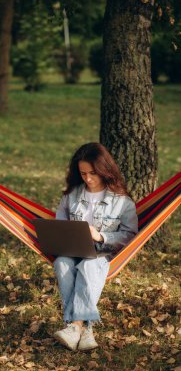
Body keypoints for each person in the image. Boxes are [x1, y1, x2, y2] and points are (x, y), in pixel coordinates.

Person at [53, 142, 138, 351]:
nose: (88, 179)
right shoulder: (71, 196)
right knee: (62, 263)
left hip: (102, 254)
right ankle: (86, 328)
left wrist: (100, 236)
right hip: (72, 250)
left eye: (93, 173)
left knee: (89, 266)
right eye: (83, 174)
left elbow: (130, 236)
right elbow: (59, 225)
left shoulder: (123, 203)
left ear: (105, 171)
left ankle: (75, 326)